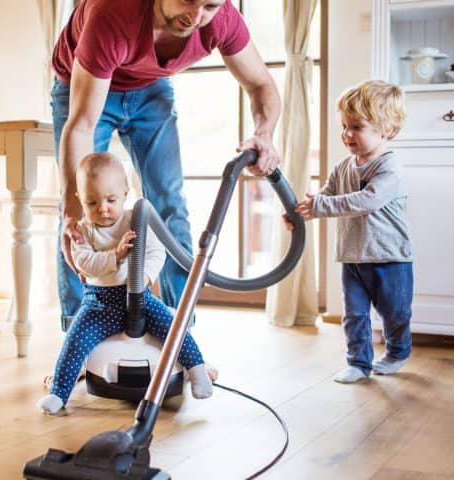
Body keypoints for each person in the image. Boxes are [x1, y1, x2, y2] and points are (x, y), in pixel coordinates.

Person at [51, 0, 281, 328]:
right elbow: (82, 125)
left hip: (149, 87)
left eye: (209, 5)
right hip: (81, 86)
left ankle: (179, 339)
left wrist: (264, 132)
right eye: (188, 0)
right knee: (80, 214)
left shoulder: (222, 18)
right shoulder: (113, 12)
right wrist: (71, 211)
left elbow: (261, 85)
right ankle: (79, 343)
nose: (196, 15)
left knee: (170, 206)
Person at [38, 152, 216, 414]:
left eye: (111, 200)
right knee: (75, 341)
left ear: (125, 193)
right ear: (80, 199)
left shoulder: (137, 218)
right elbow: (84, 263)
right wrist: (115, 255)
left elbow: (157, 252)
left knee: (173, 327)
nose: (103, 208)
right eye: (91, 202)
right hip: (98, 304)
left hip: (140, 298)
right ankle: (59, 393)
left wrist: (143, 278)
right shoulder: (82, 231)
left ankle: (197, 370)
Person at [286, 80, 414, 384]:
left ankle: (397, 352)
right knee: (354, 314)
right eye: (344, 125)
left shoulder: (390, 167)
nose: (346, 134)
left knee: (394, 314)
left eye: (356, 126)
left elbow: (367, 201)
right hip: (353, 256)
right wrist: (301, 212)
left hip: (389, 258)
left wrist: (320, 206)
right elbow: (326, 197)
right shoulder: (343, 166)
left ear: (386, 129)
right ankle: (358, 362)